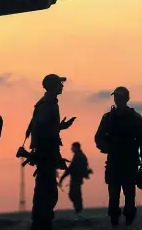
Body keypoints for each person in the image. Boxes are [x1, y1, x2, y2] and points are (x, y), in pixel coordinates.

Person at [94, 86, 142, 227]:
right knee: (114, 195)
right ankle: (115, 221)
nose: (117, 99)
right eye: (116, 97)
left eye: (120, 96)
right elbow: (99, 138)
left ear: (126, 98)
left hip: (129, 161)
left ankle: (127, 221)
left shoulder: (134, 117)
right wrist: (107, 148)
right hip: (115, 161)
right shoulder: (108, 117)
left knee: (129, 195)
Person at [29, 74, 76, 230]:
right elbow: (43, 131)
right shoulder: (48, 104)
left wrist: (60, 127)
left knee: (46, 193)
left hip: (46, 155)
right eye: (59, 83)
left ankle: (41, 222)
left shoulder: (46, 103)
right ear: (52, 86)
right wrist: (52, 156)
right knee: (46, 194)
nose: (62, 86)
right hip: (45, 155)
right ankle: (41, 224)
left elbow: (46, 129)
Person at [58, 142, 91, 216]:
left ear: (76, 147)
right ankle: (79, 210)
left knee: (74, 194)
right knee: (75, 194)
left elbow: (71, 168)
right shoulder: (80, 156)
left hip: (76, 178)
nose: (71, 149)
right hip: (77, 178)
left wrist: (62, 178)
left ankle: (79, 210)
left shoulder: (78, 156)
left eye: (73, 147)